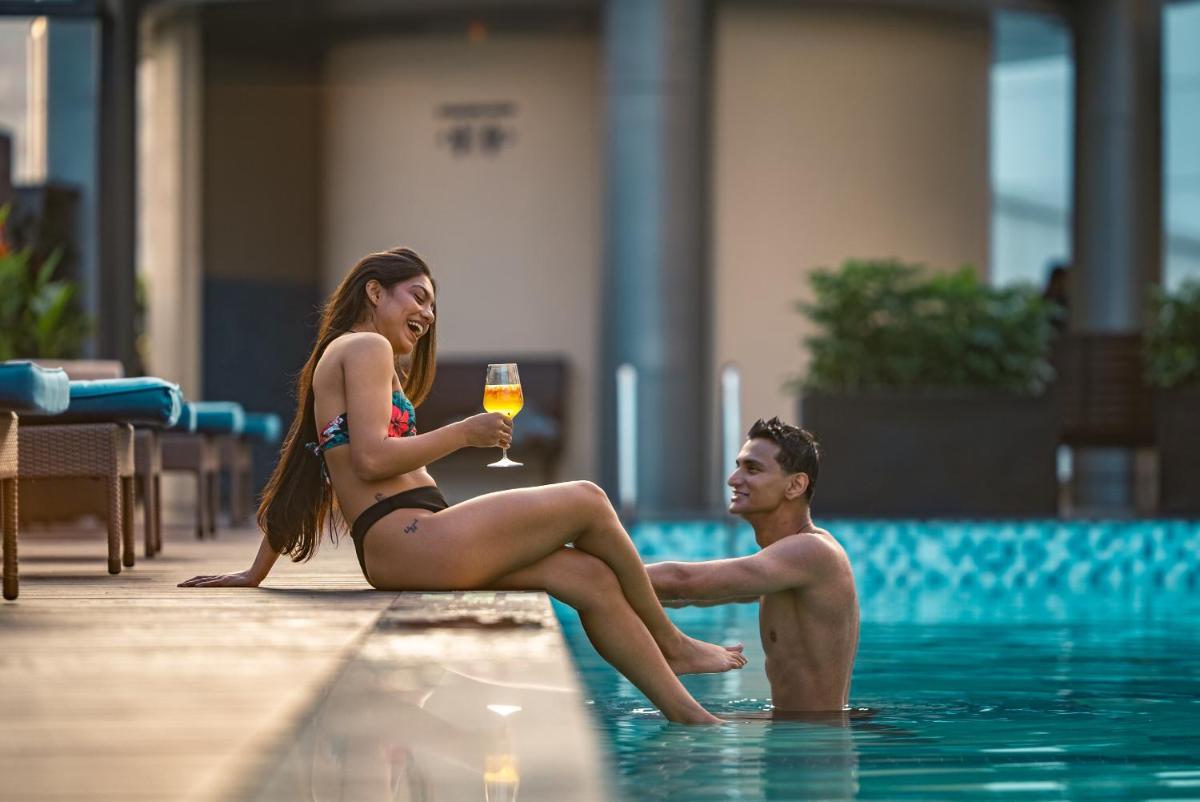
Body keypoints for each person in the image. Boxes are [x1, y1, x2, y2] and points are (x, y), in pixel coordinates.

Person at [179, 247, 744, 725]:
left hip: (410, 539)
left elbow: (315, 467)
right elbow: (373, 459)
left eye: (432, 304)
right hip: (409, 536)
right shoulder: (366, 348)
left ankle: (693, 717)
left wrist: (257, 571)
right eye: (417, 297)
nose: (427, 313)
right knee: (589, 500)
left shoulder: (351, 357)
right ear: (375, 292)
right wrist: (465, 433)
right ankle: (671, 642)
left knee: (588, 576)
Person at [646, 418, 859, 716]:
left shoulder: (812, 551)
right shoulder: (783, 565)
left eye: (752, 469)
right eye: (738, 466)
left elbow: (682, 581)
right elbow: (685, 596)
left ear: (795, 485)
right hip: (798, 736)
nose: (733, 479)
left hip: (814, 745)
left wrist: (595, 568)